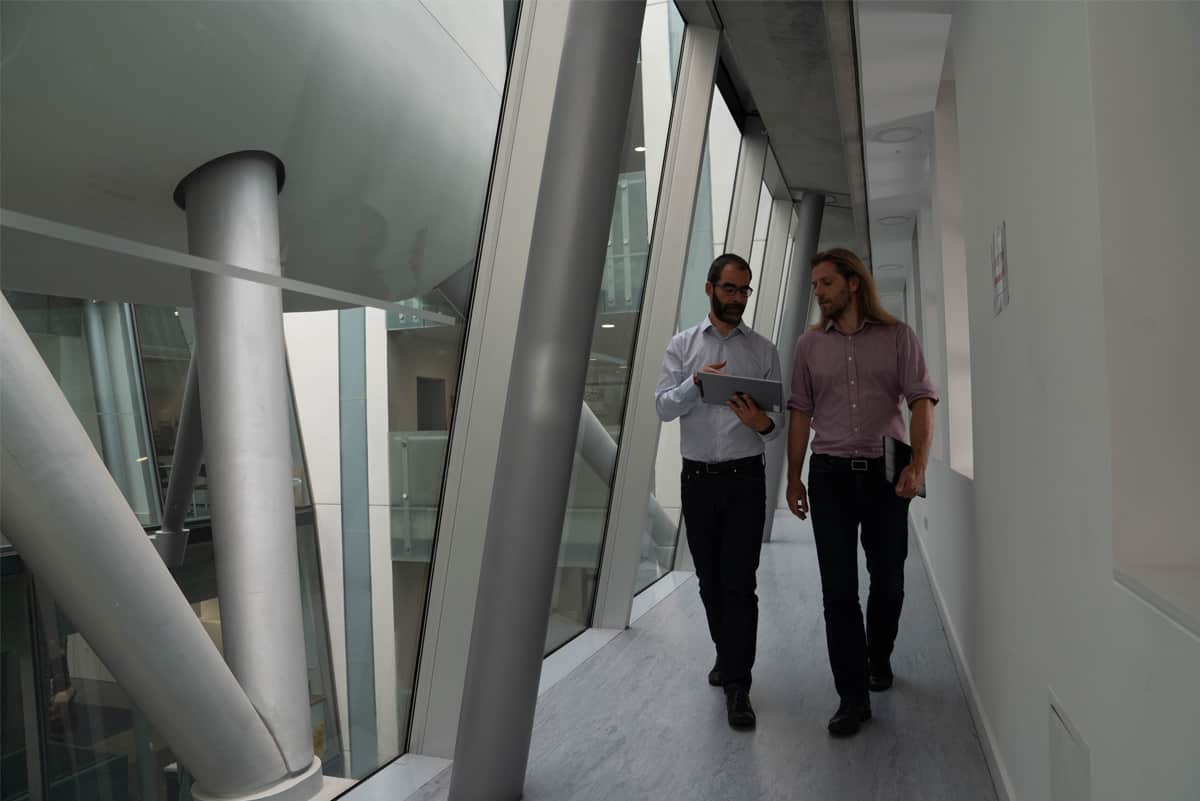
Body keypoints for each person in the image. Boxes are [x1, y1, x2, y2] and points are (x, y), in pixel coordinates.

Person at [785, 248, 937, 737]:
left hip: (884, 475)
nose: (819, 292)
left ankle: (879, 657)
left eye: (826, 283)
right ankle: (851, 698)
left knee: (889, 580)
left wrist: (918, 463)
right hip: (828, 475)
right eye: (814, 286)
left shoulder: (898, 338)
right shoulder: (809, 347)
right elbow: (801, 414)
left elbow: (921, 401)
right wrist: (793, 476)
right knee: (838, 592)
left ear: (853, 283)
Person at [655, 253, 783, 731]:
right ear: (710, 288)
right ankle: (726, 655)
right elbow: (663, 408)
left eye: (744, 290)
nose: (737, 299)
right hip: (698, 483)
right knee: (709, 583)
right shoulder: (682, 346)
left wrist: (762, 422)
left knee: (739, 584)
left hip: (745, 480)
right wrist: (696, 383)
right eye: (729, 289)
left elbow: (777, 423)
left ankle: (738, 685)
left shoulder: (763, 350)